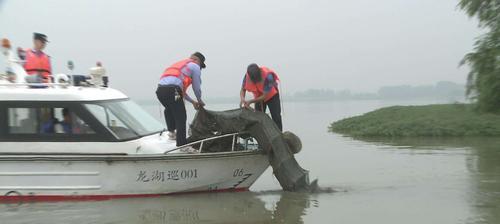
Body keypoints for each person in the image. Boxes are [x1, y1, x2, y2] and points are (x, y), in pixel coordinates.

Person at [156, 52, 206, 146]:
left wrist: (192, 102)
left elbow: (180, 92)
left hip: (160, 91)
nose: (200, 69)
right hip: (173, 91)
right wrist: (199, 100)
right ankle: (182, 145)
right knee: (181, 116)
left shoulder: (182, 66)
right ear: (198, 61)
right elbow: (196, 87)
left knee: (169, 109)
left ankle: (172, 133)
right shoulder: (195, 66)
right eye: (201, 66)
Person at [240, 63, 283, 131]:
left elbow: (264, 96)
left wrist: (250, 101)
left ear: (259, 72)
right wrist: (242, 99)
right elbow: (243, 89)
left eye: (257, 79)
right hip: (258, 97)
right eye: (254, 80)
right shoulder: (247, 76)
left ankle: (280, 135)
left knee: (276, 117)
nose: (256, 81)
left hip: (272, 96)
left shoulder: (268, 77)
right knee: (258, 118)